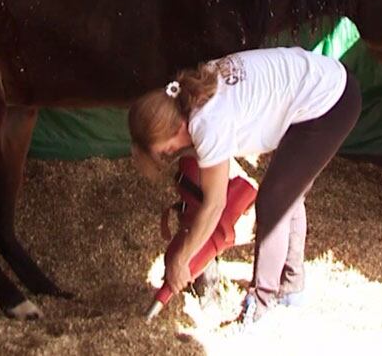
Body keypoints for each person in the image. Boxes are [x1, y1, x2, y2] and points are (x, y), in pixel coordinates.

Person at [128, 46, 362, 322]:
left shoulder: (207, 123)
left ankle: (261, 304)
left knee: (273, 203)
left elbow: (215, 206)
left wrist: (181, 261)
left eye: (167, 150)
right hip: (322, 84)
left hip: (330, 102)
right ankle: (292, 287)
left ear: (175, 128)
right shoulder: (192, 93)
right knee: (289, 191)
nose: (173, 154)